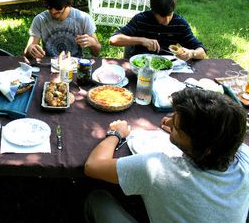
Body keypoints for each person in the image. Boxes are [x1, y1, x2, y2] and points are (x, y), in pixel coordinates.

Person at [84, 88, 249, 222]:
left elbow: (93, 166)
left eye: (176, 126)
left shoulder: (157, 168)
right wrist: (183, 133)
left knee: (98, 198)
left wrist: (116, 133)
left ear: (202, 148)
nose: (167, 122)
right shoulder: (242, 155)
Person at [109, 0, 207, 61]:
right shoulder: (141, 19)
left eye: (169, 14)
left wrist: (191, 53)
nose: (167, 20)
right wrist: (142, 41)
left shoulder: (180, 24)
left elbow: (202, 51)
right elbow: (113, 40)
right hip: (141, 65)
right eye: (162, 16)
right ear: (154, 11)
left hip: (167, 67)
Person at [24, 0, 101, 59]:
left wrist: (93, 43)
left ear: (66, 3)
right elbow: (27, 52)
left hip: (75, 67)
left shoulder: (83, 18)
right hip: (49, 65)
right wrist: (31, 49)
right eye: (49, 7)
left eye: (58, 7)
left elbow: (96, 52)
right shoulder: (40, 19)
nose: (53, 11)